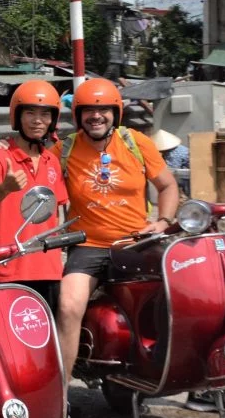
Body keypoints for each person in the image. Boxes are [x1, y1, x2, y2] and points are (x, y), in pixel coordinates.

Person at [55, 78, 180, 374]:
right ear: (78, 115)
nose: (96, 116)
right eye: (88, 110)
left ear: (116, 112)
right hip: (88, 245)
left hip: (137, 241)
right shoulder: (65, 149)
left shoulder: (136, 143)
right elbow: (31, 168)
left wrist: (163, 221)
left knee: (184, 295)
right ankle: (60, 397)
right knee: (68, 307)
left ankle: (190, 374)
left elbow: (168, 186)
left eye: (104, 110)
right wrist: (4, 148)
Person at [0, 80, 68, 309]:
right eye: (30, 112)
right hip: (10, 269)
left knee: (47, 339)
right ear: (18, 116)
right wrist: (4, 189)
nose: (38, 120)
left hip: (49, 269)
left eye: (45, 114)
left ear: (53, 120)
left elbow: (59, 214)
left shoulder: (52, 161)